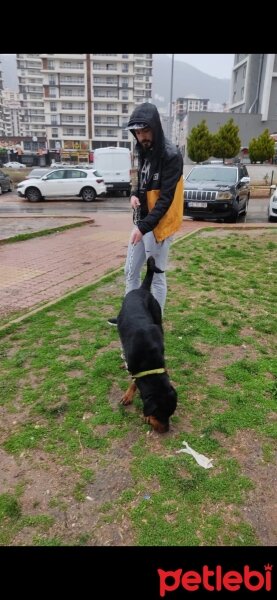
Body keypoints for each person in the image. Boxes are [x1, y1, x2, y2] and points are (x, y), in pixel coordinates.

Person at [108, 102, 184, 325]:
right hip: (143, 222)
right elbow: (141, 180)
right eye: (138, 132)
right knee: (130, 271)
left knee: (157, 276)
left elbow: (165, 201)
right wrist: (134, 194)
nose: (142, 136)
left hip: (159, 225)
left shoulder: (171, 156)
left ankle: (154, 321)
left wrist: (143, 227)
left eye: (146, 130)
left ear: (156, 127)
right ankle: (129, 316)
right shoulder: (143, 151)